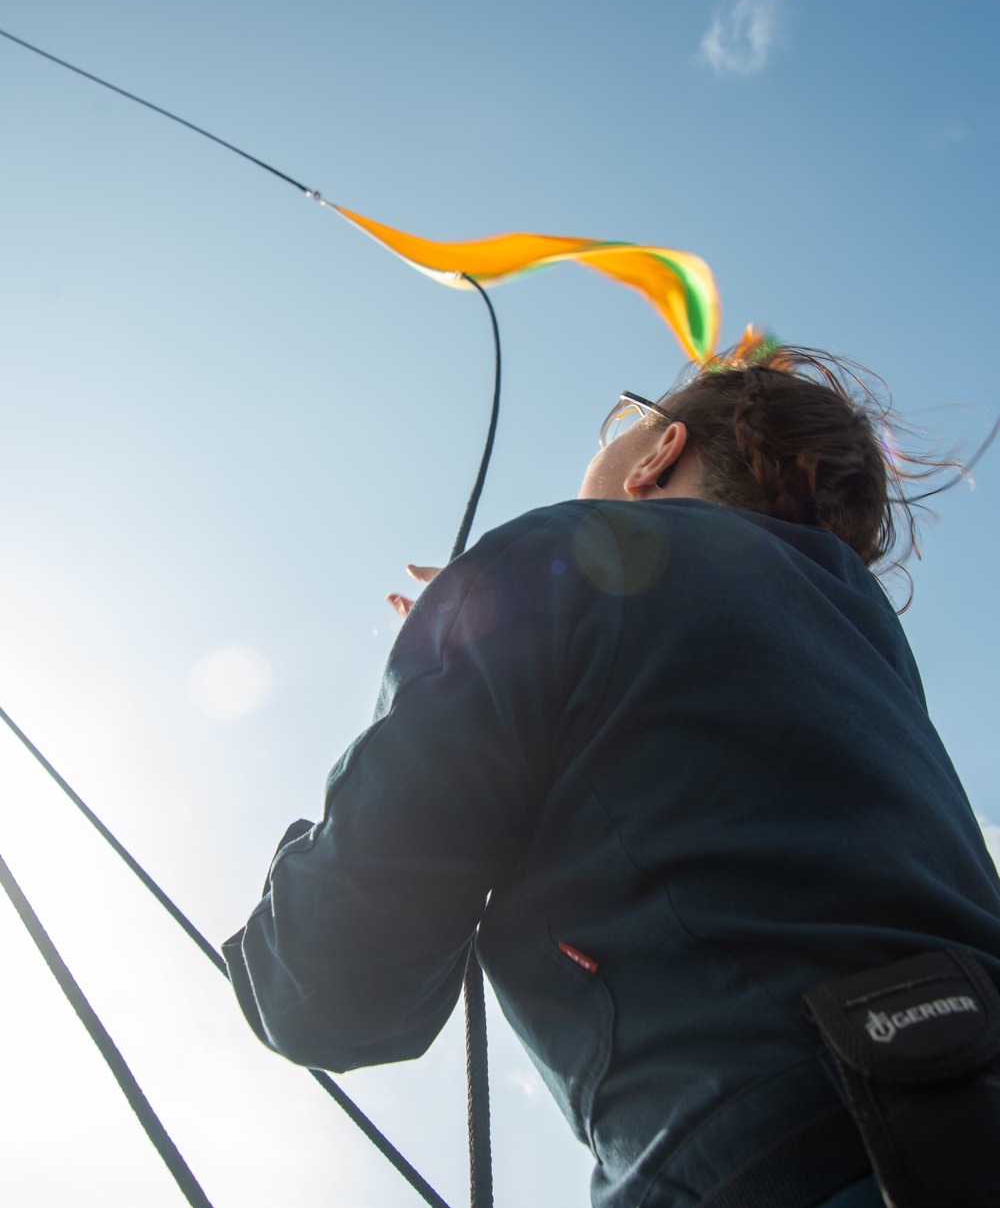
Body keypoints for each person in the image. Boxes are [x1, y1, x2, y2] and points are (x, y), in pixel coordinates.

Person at [223, 339, 1000, 1208]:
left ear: (661, 451)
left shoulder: (546, 561)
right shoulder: (871, 643)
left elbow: (333, 987)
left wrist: (494, 601)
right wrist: (517, 600)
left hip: (775, 1158)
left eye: (630, 421)